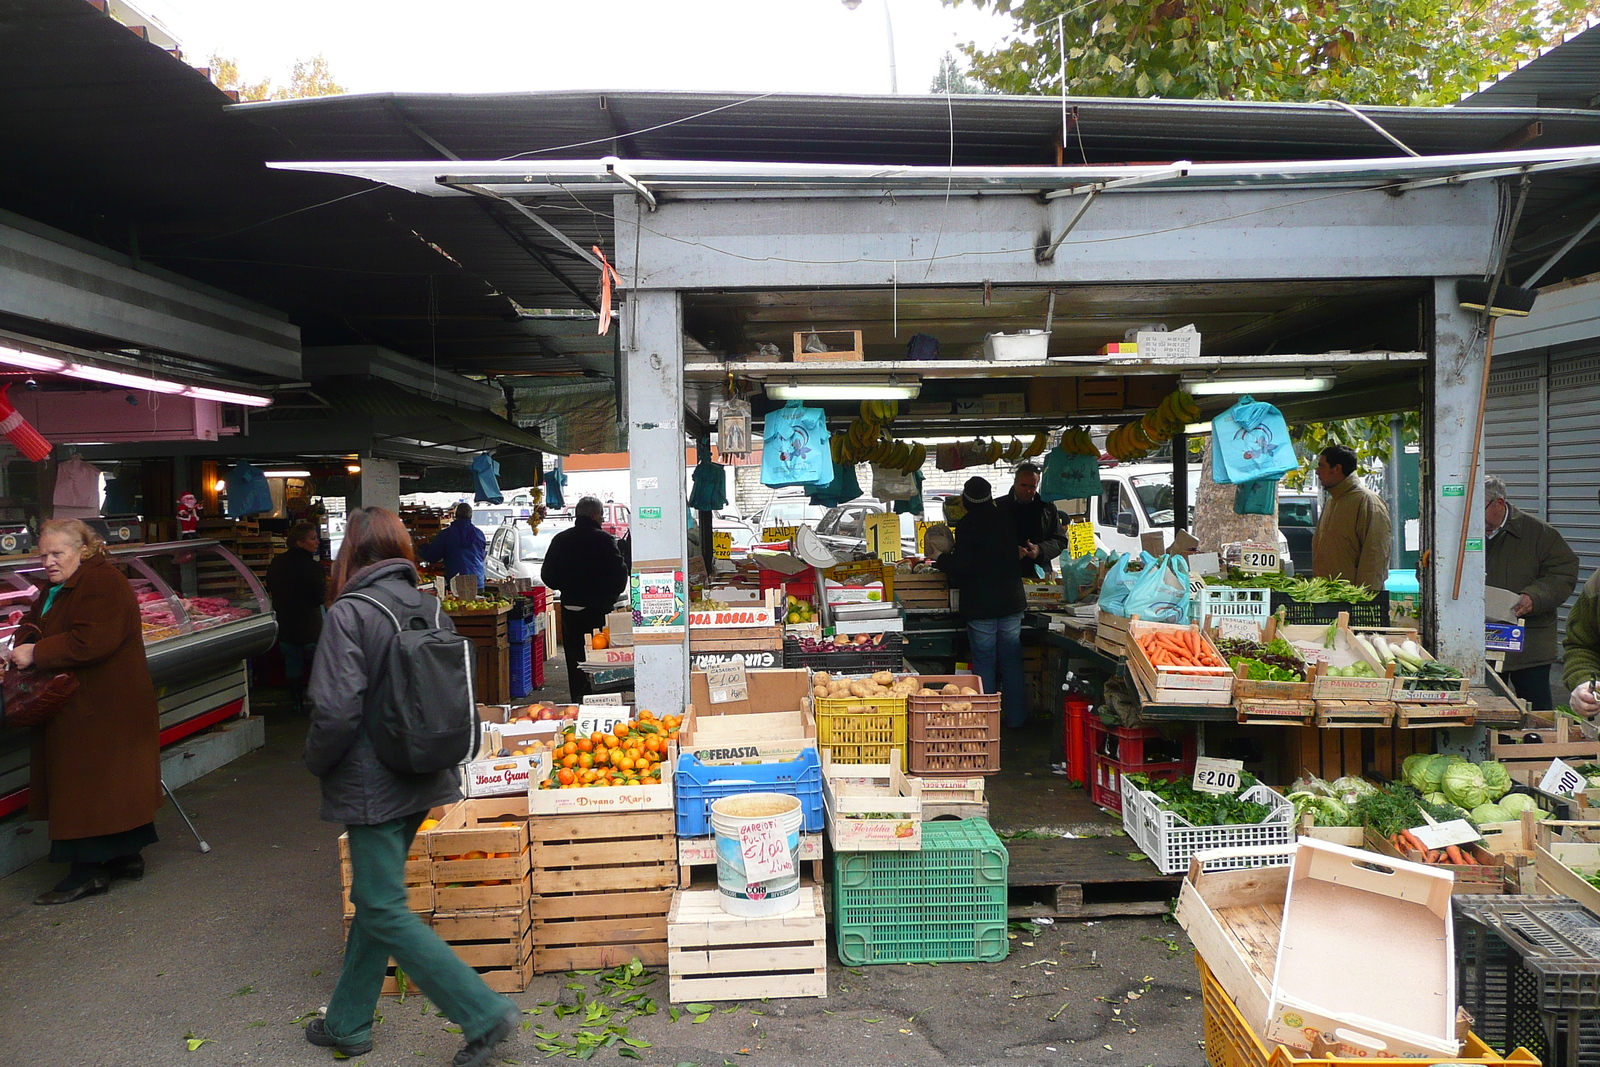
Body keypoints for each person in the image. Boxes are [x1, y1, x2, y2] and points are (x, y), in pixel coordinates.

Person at [303, 507, 517, 1066]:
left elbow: (334, 710)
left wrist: (315, 761)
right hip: (424, 772)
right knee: (376, 901)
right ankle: (348, 1021)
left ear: (350, 553)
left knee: (381, 904)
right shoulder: (428, 603)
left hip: (373, 785)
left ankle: (482, 1013)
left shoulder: (350, 612)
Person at [10, 519, 160, 905]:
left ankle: (87, 872)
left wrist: (35, 653)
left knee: (86, 787)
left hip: (101, 705)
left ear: (85, 550)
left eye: (57, 553)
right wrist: (25, 639)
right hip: (88, 702)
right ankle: (126, 856)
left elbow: (92, 640)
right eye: (43, 553)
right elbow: (32, 620)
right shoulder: (56, 584)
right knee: (108, 784)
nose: (48, 561)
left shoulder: (102, 582)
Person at [934, 477, 1029, 728]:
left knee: (985, 662)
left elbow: (962, 566)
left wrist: (941, 558)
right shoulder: (1006, 519)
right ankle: (1017, 719)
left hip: (982, 605)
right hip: (1010, 603)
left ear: (966, 501)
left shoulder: (967, 525)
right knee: (1011, 661)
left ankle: (986, 723)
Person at [1483, 475, 1578, 711]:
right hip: (1481, 644)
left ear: (1499, 503)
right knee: (1489, 713)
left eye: (1480, 508)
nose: (1474, 516)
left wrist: (1534, 597)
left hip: (1529, 645)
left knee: (1538, 714)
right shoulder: (1458, 534)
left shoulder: (1539, 533)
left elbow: (1563, 572)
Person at [541, 497, 628, 702]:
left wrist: (566, 585)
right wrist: (610, 596)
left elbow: (548, 576)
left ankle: (579, 701)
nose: (602, 518)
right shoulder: (604, 540)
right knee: (599, 658)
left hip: (571, 608)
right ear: (594, 515)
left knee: (575, 660)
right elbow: (620, 575)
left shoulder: (560, 540)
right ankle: (601, 700)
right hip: (598, 609)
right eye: (601, 515)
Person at [1310, 444, 1392, 592]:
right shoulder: (1332, 501)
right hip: (1327, 597)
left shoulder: (1367, 502)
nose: (1317, 472)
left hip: (1352, 601)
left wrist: (1363, 600)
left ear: (1337, 468)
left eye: (1322, 466)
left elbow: (1375, 558)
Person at [265, 521, 326, 711]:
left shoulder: (277, 563)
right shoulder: (314, 567)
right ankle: (320, 706)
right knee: (318, 666)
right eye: (313, 538)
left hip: (286, 624)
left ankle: (297, 704)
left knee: (293, 664)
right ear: (300, 542)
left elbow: (270, 588)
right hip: (309, 626)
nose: (317, 542)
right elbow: (319, 597)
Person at [998, 462, 1068, 578]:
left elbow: (1060, 540)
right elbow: (987, 542)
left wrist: (1040, 549)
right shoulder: (999, 507)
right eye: (1023, 485)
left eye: (1032, 487)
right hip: (1005, 573)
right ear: (1015, 484)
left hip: (1039, 573)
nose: (1028, 491)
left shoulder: (1048, 508)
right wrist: (1009, 550)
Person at [421, 503, 486, 589]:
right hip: (477, 581)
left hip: (456, 582)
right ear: (471, 516)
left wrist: (421, 547)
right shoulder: (479, 534)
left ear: (455, 515)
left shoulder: (446, 534)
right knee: (478, 602)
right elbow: (482, 555)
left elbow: (432, 556)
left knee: (458, 602)